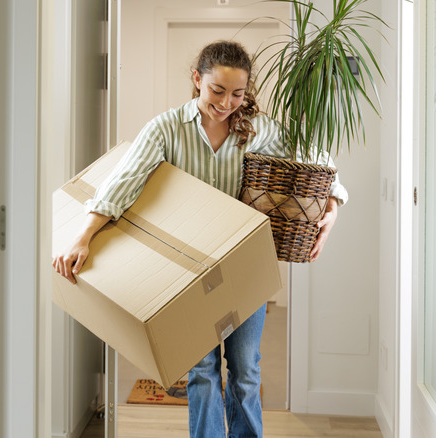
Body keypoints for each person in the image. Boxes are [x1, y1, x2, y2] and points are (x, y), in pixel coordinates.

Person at [53, 40, 348, 437]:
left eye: (238, 93)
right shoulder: (166, 128)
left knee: (245, 371)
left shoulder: (258, 129)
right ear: (197, 79)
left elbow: (318, 159)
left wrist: (332, 207)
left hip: (244, 271)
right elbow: (123, 181)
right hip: (189, 276)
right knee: (202, 372)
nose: (227, 102)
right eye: (217, 90)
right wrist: (84, 235)